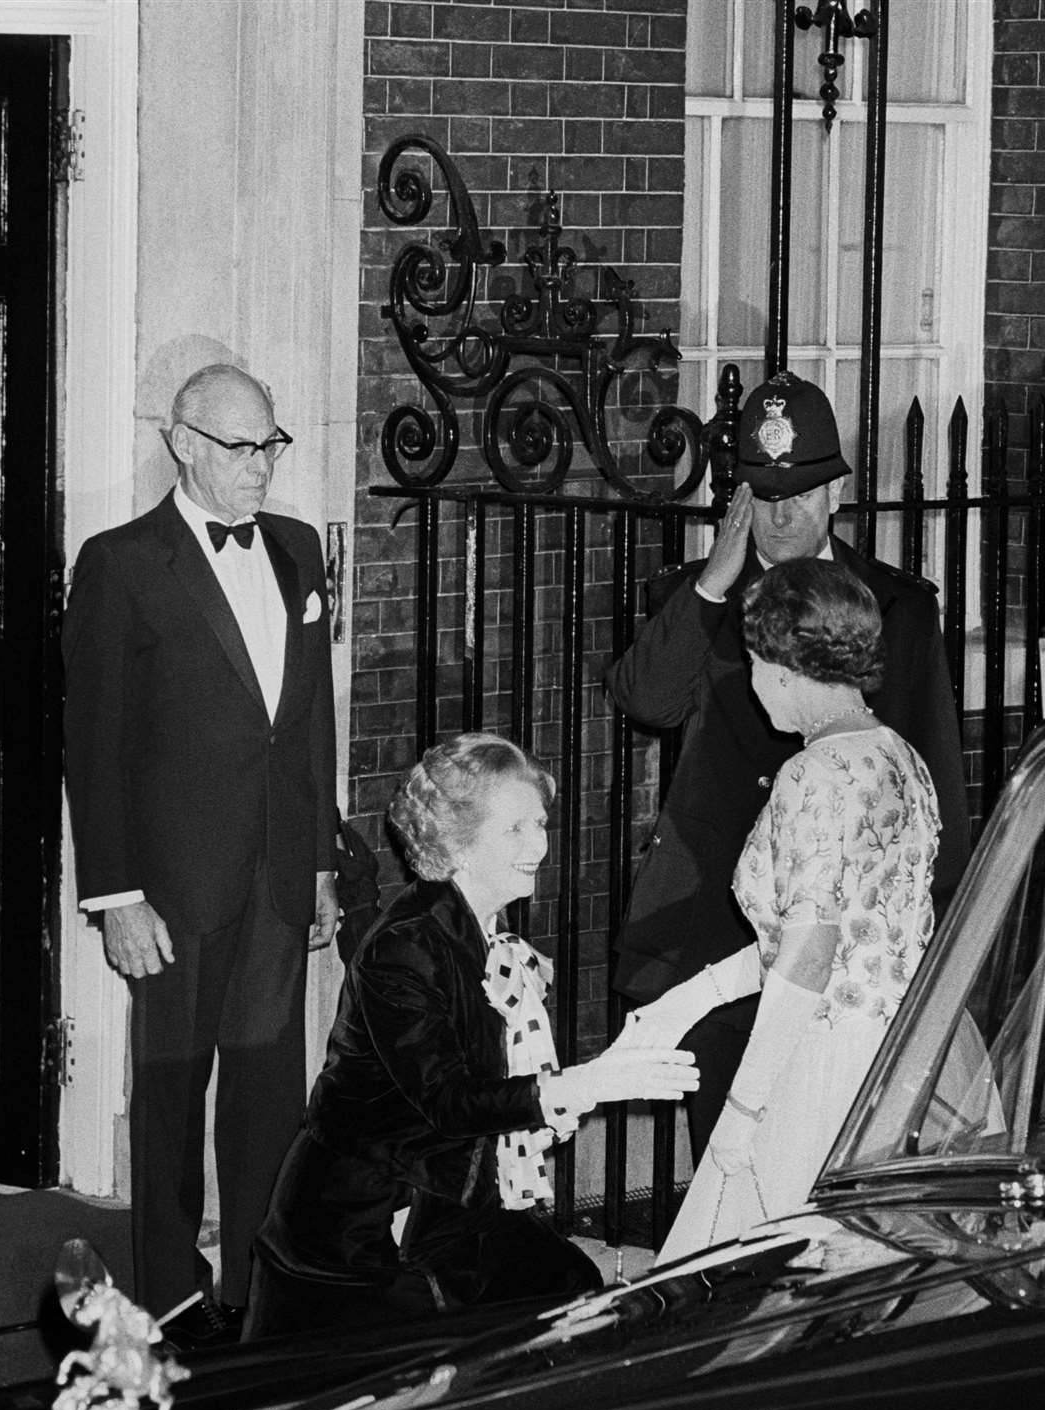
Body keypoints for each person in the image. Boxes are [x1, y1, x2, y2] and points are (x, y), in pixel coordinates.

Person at [604, 371, 969, 1168]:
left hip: (849, 964)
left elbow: (931, 776)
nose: (782, 515)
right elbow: (646, 701)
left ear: (835, 493)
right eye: (764, 495)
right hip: (724, 926)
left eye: (801, 493)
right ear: (739, 500)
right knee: (730, 1163)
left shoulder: (894, 608)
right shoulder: (700, 598)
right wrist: (713, 581)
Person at [242, 734, 697, 1340]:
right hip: (364, 1226)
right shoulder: (406, 946)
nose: (538, 845)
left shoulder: (480, 930)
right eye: (513, 830)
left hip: (454, 1198)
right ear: (455, 841)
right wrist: (586, 1083)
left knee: (574, 1298)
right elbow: (449, 1103)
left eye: (539, 823)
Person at [62, 363, 339, 1347]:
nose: (262, 466)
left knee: (270, 1089)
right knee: (173, 1095)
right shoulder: (122, 564)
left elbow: (310, 724)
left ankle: (257, 1292)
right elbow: (92, 745)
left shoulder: (301, 551)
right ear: (182, 443)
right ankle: (172, 1303)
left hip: (275, 871)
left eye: (272, 444)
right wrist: (113, 893)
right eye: (239, 447)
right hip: (170, 887)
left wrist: (318, 864)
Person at [621, 559, 940, 1256]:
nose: (756, 684)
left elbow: (810, 953)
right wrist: (689, 999)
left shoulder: (812, 774)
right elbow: (827, 937)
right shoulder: (900, 757)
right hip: (898, 1058)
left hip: (821, 1066)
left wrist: (745, 1107)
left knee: (746, 1275)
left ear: (787, 670)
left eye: (759, 664)